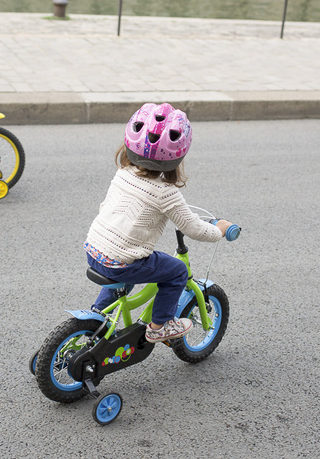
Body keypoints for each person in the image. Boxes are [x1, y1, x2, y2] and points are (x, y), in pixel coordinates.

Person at [84, 103, 233, 343]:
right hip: (122, 262)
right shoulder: (165, 193)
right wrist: (219, 231)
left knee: (125, 267)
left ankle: (98, 315)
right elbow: (193, 227)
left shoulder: (123, 173)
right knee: (177, 271)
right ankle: (159, 326)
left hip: (94, 250)